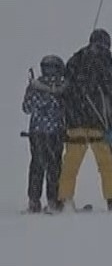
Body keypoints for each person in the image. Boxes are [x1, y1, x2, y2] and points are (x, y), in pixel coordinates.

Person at [56, 28, 112, 212]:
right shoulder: (111, 68)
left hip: (75, 122)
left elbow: (65, 92)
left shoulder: (75, 61)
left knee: (70, 164)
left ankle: (66, 199)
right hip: (99, 124)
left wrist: (66, 118)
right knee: (107, 165)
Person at [21, 54, 67, 213]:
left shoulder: (34, 86)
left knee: (37, 166)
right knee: (54, 167)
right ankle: (53, 200)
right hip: (56, 133)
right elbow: (66, 110)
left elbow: (26, 108)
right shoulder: (63, 87)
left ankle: (34, 201)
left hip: (37, 133)